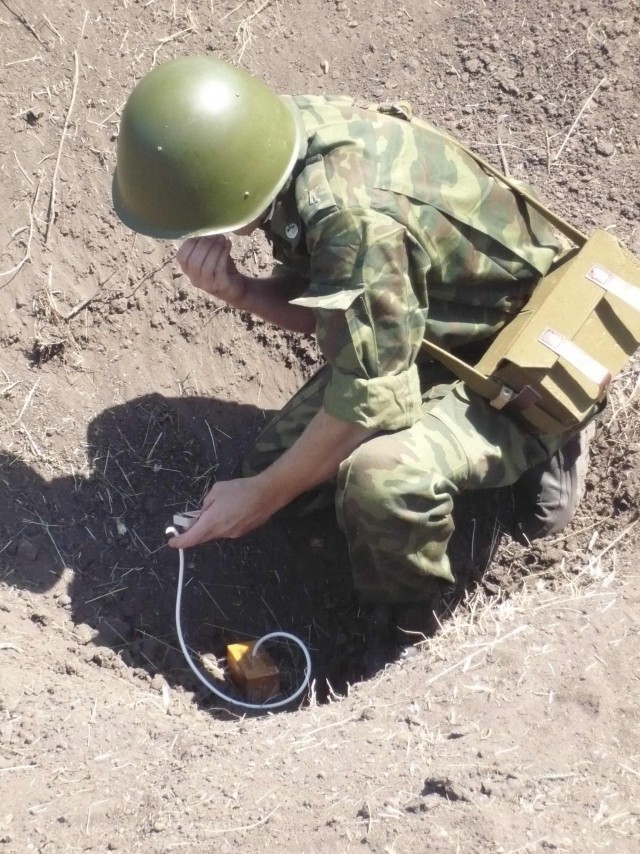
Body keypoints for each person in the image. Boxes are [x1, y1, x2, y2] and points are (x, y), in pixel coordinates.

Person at [112, 55, 590, 643]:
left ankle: (408, 622)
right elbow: (335, 306)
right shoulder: (278, 143)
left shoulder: (352, 219)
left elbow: (369, 401)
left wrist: (260, 498)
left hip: (531, 343)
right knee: (282, 473)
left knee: (379, 481)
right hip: (428, 322)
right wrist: (237, 291)